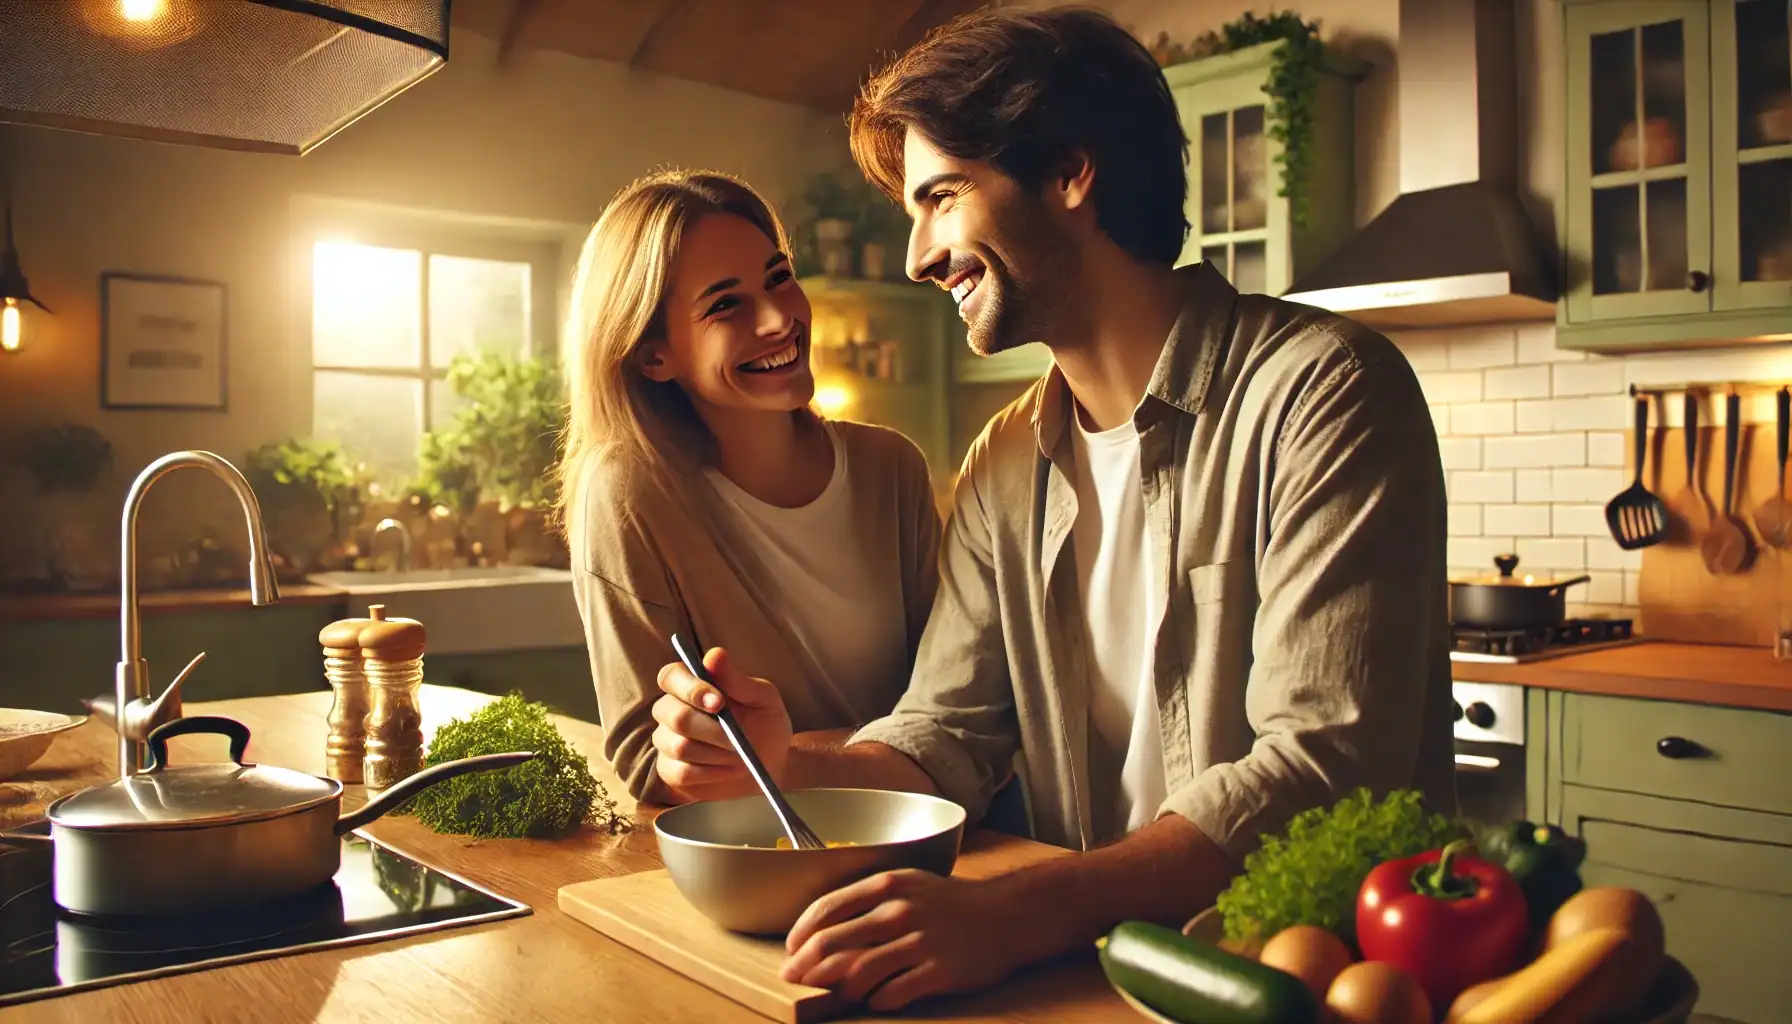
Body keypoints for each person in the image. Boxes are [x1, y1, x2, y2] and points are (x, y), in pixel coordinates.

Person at [649, 6, 1457, 1011]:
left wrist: (1012, 914)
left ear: (1070, 175)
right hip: (1102, 974)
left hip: (1318, 982)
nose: (916, 255)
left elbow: (1317, 765)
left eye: (941, 198)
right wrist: (783, 757)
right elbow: (950, 731)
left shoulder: (1323, 391)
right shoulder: (1004, 461)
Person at [557, 169, 942, 805]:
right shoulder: (628, 493)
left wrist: (779, 757)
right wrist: (882, 749)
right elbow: (644, 760)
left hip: (929, 829)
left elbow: (955, 715)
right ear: (654, 356)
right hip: (759, 851)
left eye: (778, 277)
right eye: (726, 303)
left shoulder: (891, 468)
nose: (779, 319)